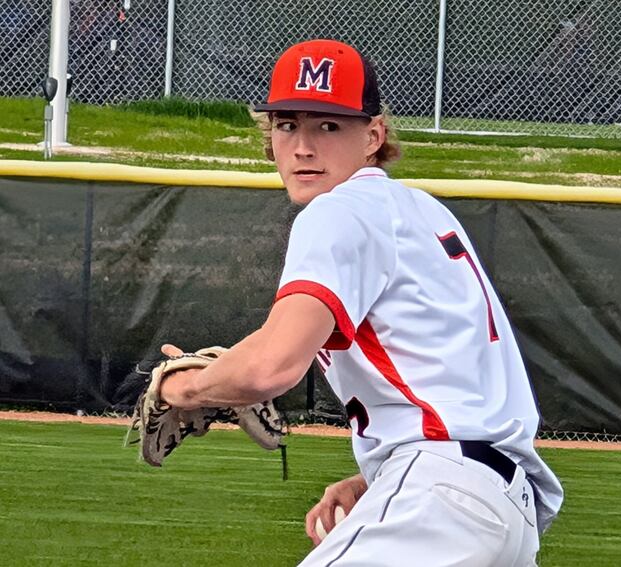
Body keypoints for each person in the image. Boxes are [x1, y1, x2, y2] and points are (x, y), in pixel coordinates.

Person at [158, 38, 563, 566]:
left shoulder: (338, 212)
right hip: (505, 508)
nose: (303, 146)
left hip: (444, 499)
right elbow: (455, 391)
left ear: (373, 135)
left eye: (328, 126)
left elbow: (271, 366)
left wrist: (183, 387)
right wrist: (381, 477)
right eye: (287, 125)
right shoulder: (421, 211)